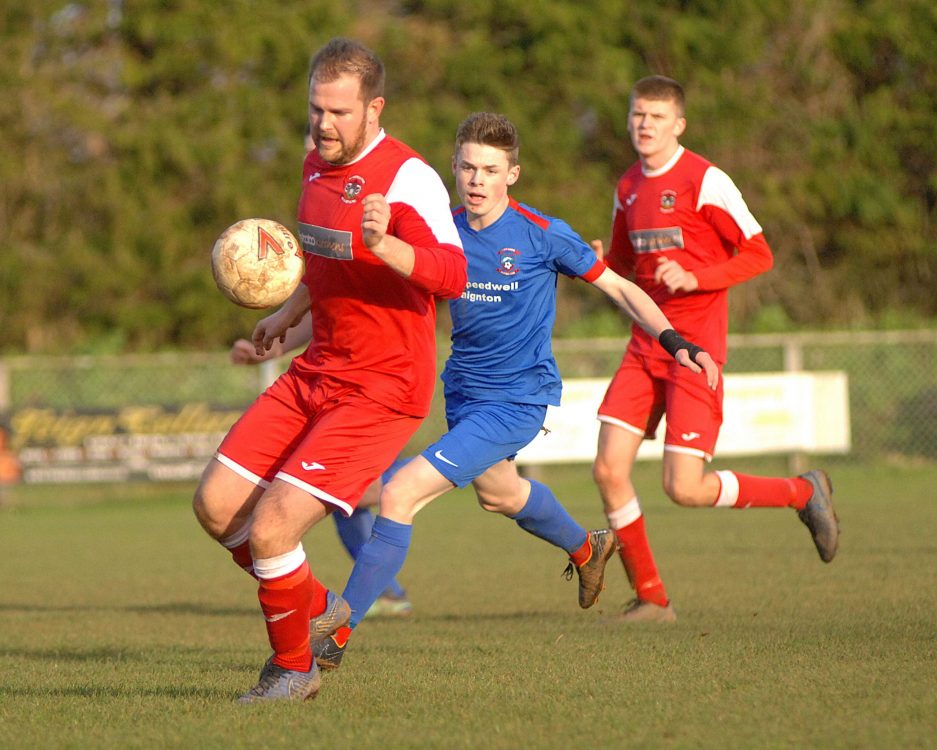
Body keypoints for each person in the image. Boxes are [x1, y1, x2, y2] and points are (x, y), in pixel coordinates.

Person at [308, 112, 720, 670]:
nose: (477, 179)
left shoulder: (542, 233)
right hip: (464, 396)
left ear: (513, 174)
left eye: (491, 169)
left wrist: (676, 341)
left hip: (519, 401)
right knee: (500, 494)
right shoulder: (439, 232)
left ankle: (336, 634)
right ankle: (587, 546)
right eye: (469, 167)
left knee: (401, 492)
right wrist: (292, 325)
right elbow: (368, 296)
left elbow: (621, 289)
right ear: (454, 168)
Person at [192, 37, 466, 703]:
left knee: (273, 525)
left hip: (381, 387)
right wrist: (287, 314)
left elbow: (453, 275)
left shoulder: (409, 178)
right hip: (317, 369)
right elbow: (324, 262)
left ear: (374, 109)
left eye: (339, 112)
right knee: (216, 506)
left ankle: (294, 671)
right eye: (316, 108)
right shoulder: (315, 167)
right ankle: (319, 605)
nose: (323, 124)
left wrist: (388, 244)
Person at [589, 75, 840, 624]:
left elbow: (759, 254)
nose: (645, 124)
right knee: (608, 469)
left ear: (678, 124)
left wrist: (697, 277)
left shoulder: (706, 180)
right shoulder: (628, 185)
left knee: (686, 489)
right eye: (638, 114)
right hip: (645, 346)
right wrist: (603, 264)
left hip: (696, 351)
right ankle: (652, 599)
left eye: (657, 116)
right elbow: (629, 271)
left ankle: (801, 491)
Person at [230, 314, 413, 619]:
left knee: (361, 491)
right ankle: (387, 592)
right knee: (343, 502)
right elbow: (325, 305)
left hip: (382, 389)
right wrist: (274, 347)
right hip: (341, 392)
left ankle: (455, 466)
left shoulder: (392, 270)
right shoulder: (333, 273)